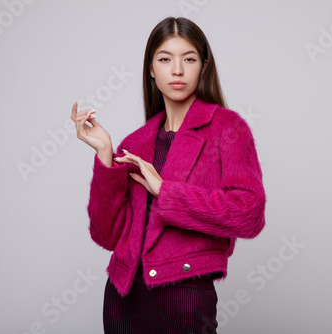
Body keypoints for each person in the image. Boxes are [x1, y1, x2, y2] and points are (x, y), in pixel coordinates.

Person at [70, 16, 266, 334]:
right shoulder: (135, 143)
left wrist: (165, 190)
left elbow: (249, 214)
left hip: (185, 301)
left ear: (203, 66)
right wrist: (105, 154)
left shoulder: (227, 128)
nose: (177, 70)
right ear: (151, 68)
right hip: (122, 301)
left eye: (188, 59)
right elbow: (106, 236)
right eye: (165, 59)